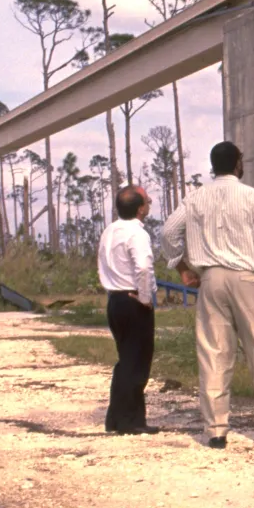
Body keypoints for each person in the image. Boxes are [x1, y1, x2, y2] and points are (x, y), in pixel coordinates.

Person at [161, 141, 254, 449]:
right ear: (237, 164)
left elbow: (167, 233)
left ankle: (216, 431)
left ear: (212, 165)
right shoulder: (252, 198)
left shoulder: (195, 198)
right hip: (248, 279)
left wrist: (182, 268)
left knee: (214, 354)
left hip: (211, 279)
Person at [96, 185, 159, 435]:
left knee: (126, 360)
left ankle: (117, 418)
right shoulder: (137, 233)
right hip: (133, 300)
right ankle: (129, 421)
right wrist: (145, 298)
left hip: (115, 300)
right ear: (140, 208)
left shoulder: (109, 231)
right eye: (147, 200)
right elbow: (143, 268)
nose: (150, 203)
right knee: (137, 362)